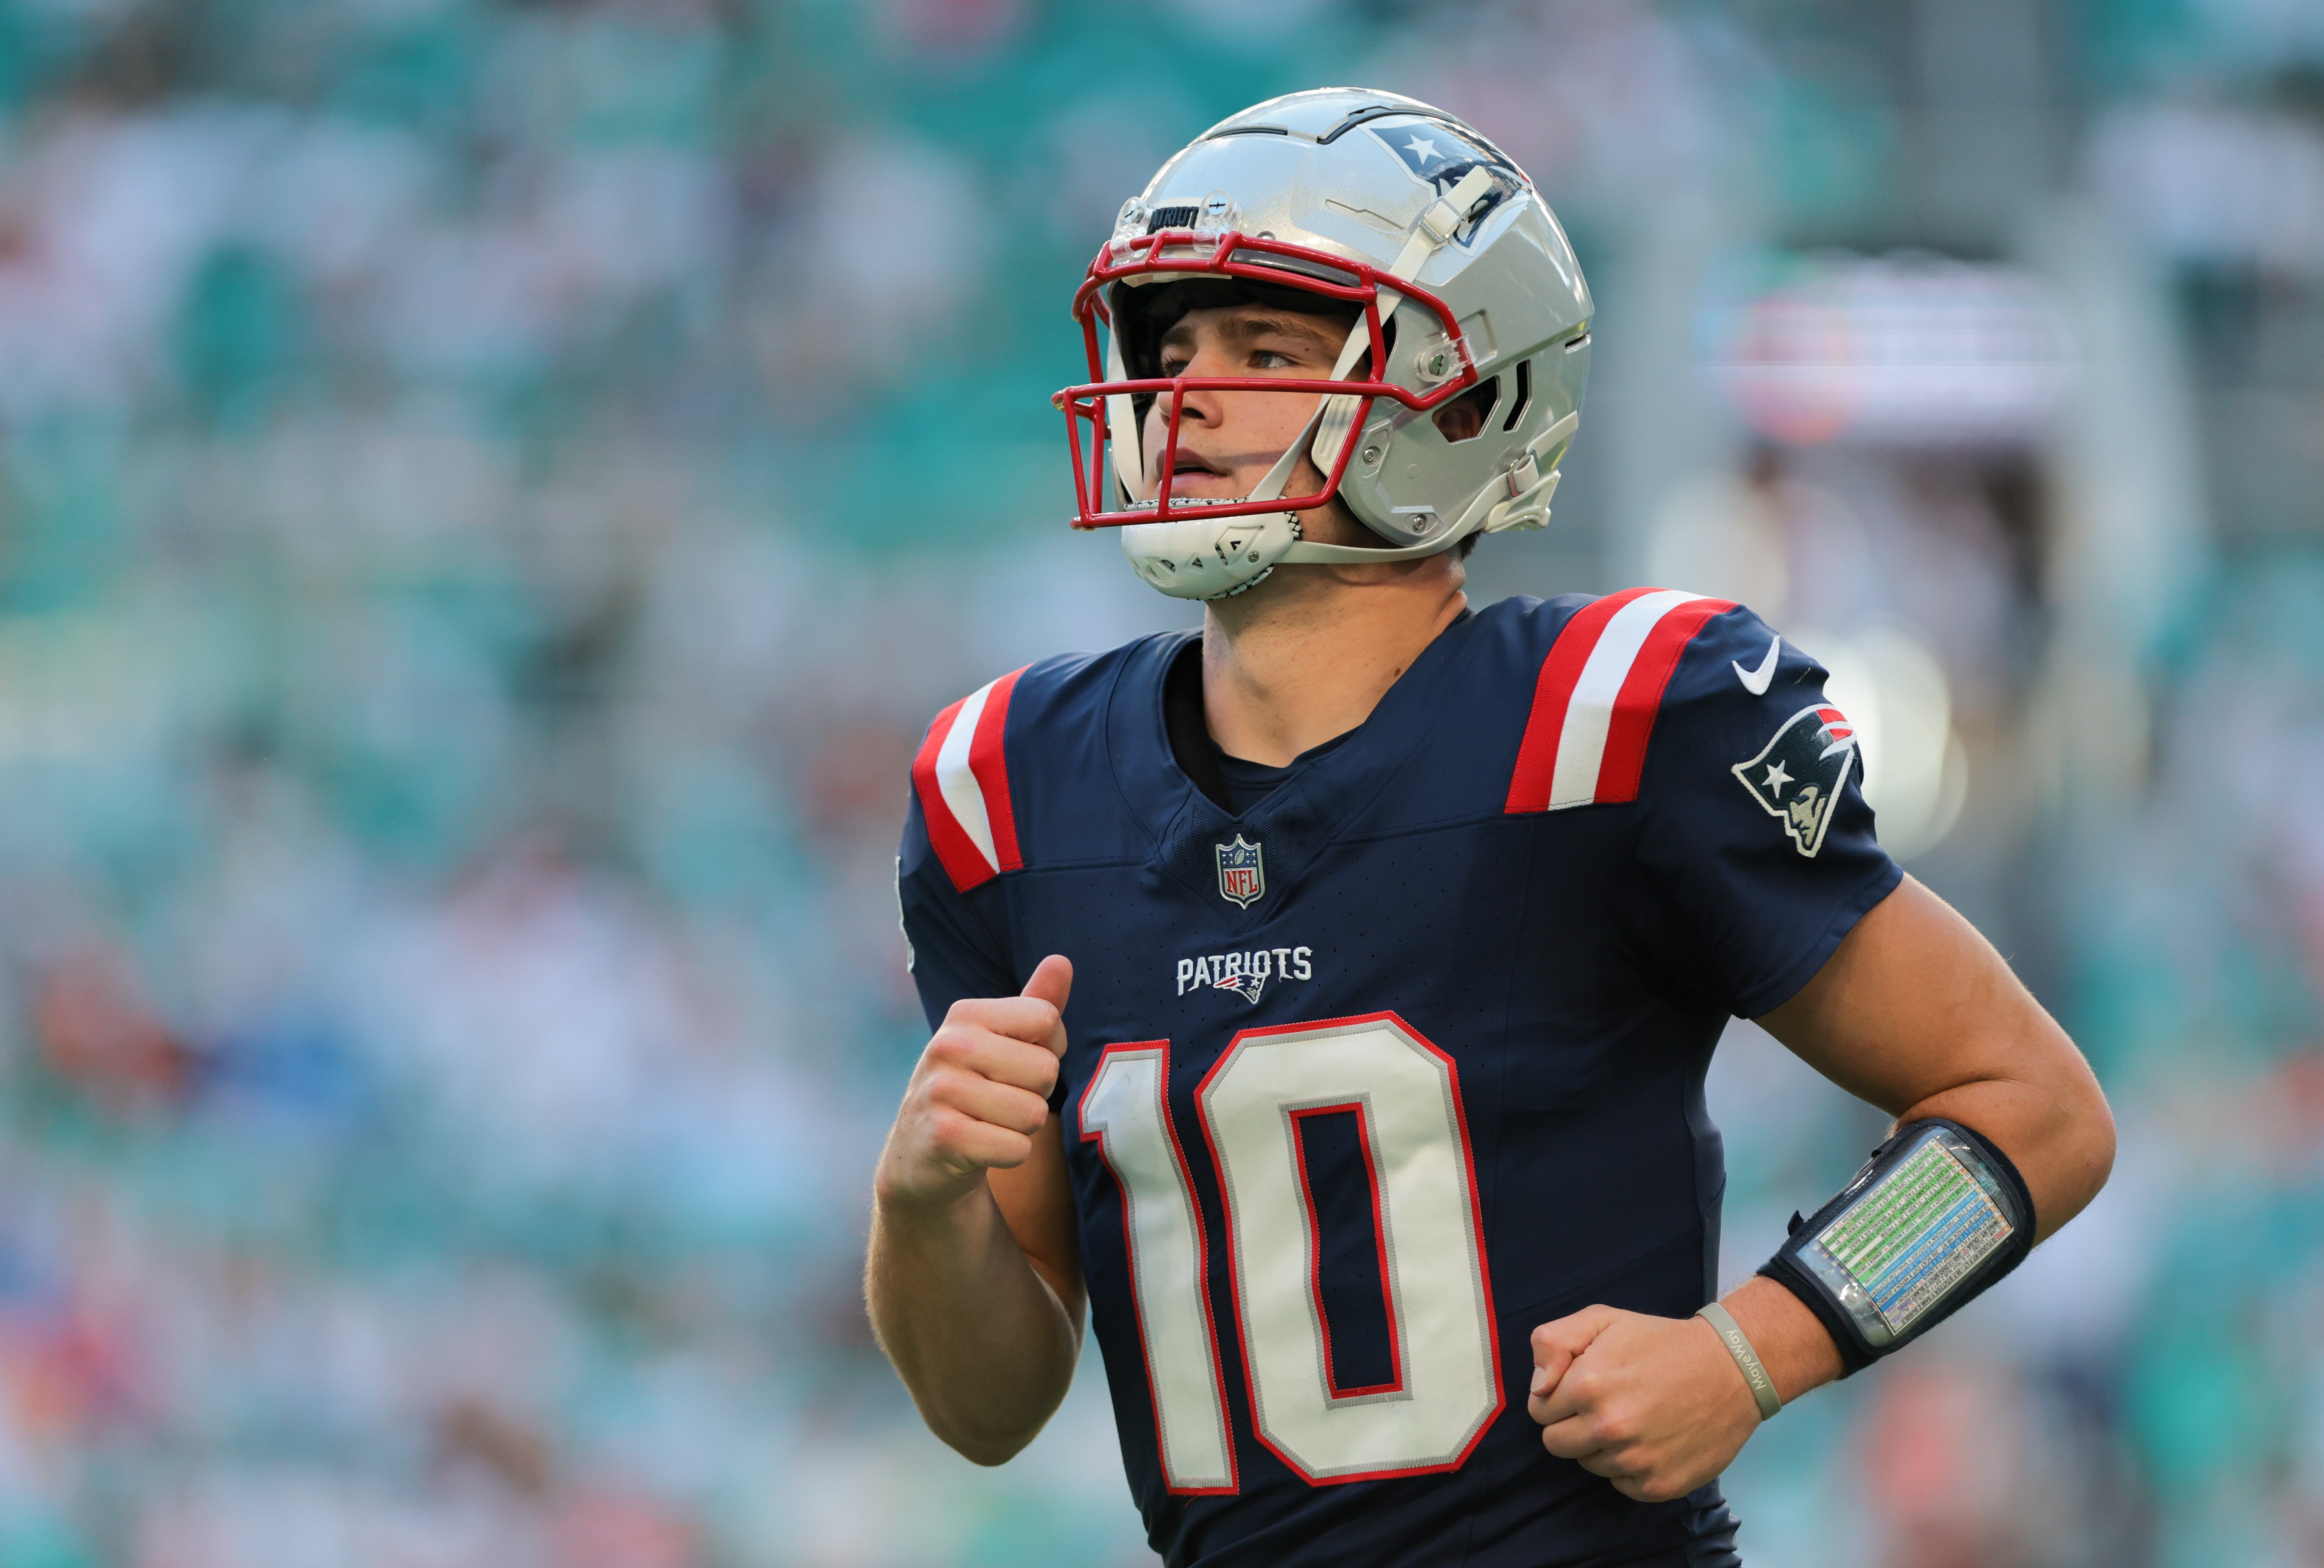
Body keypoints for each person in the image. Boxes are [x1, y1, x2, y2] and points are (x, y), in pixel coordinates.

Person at [866, 87, 2115, 1568]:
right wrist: (921, 1200)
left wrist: (1760, 1351)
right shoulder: (1008, 786)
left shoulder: (1617, 720)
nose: (1185, 396)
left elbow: (2033, 1114)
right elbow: (990, 1407)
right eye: (1172, 345)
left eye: (1264, 349)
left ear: (1463, 399)